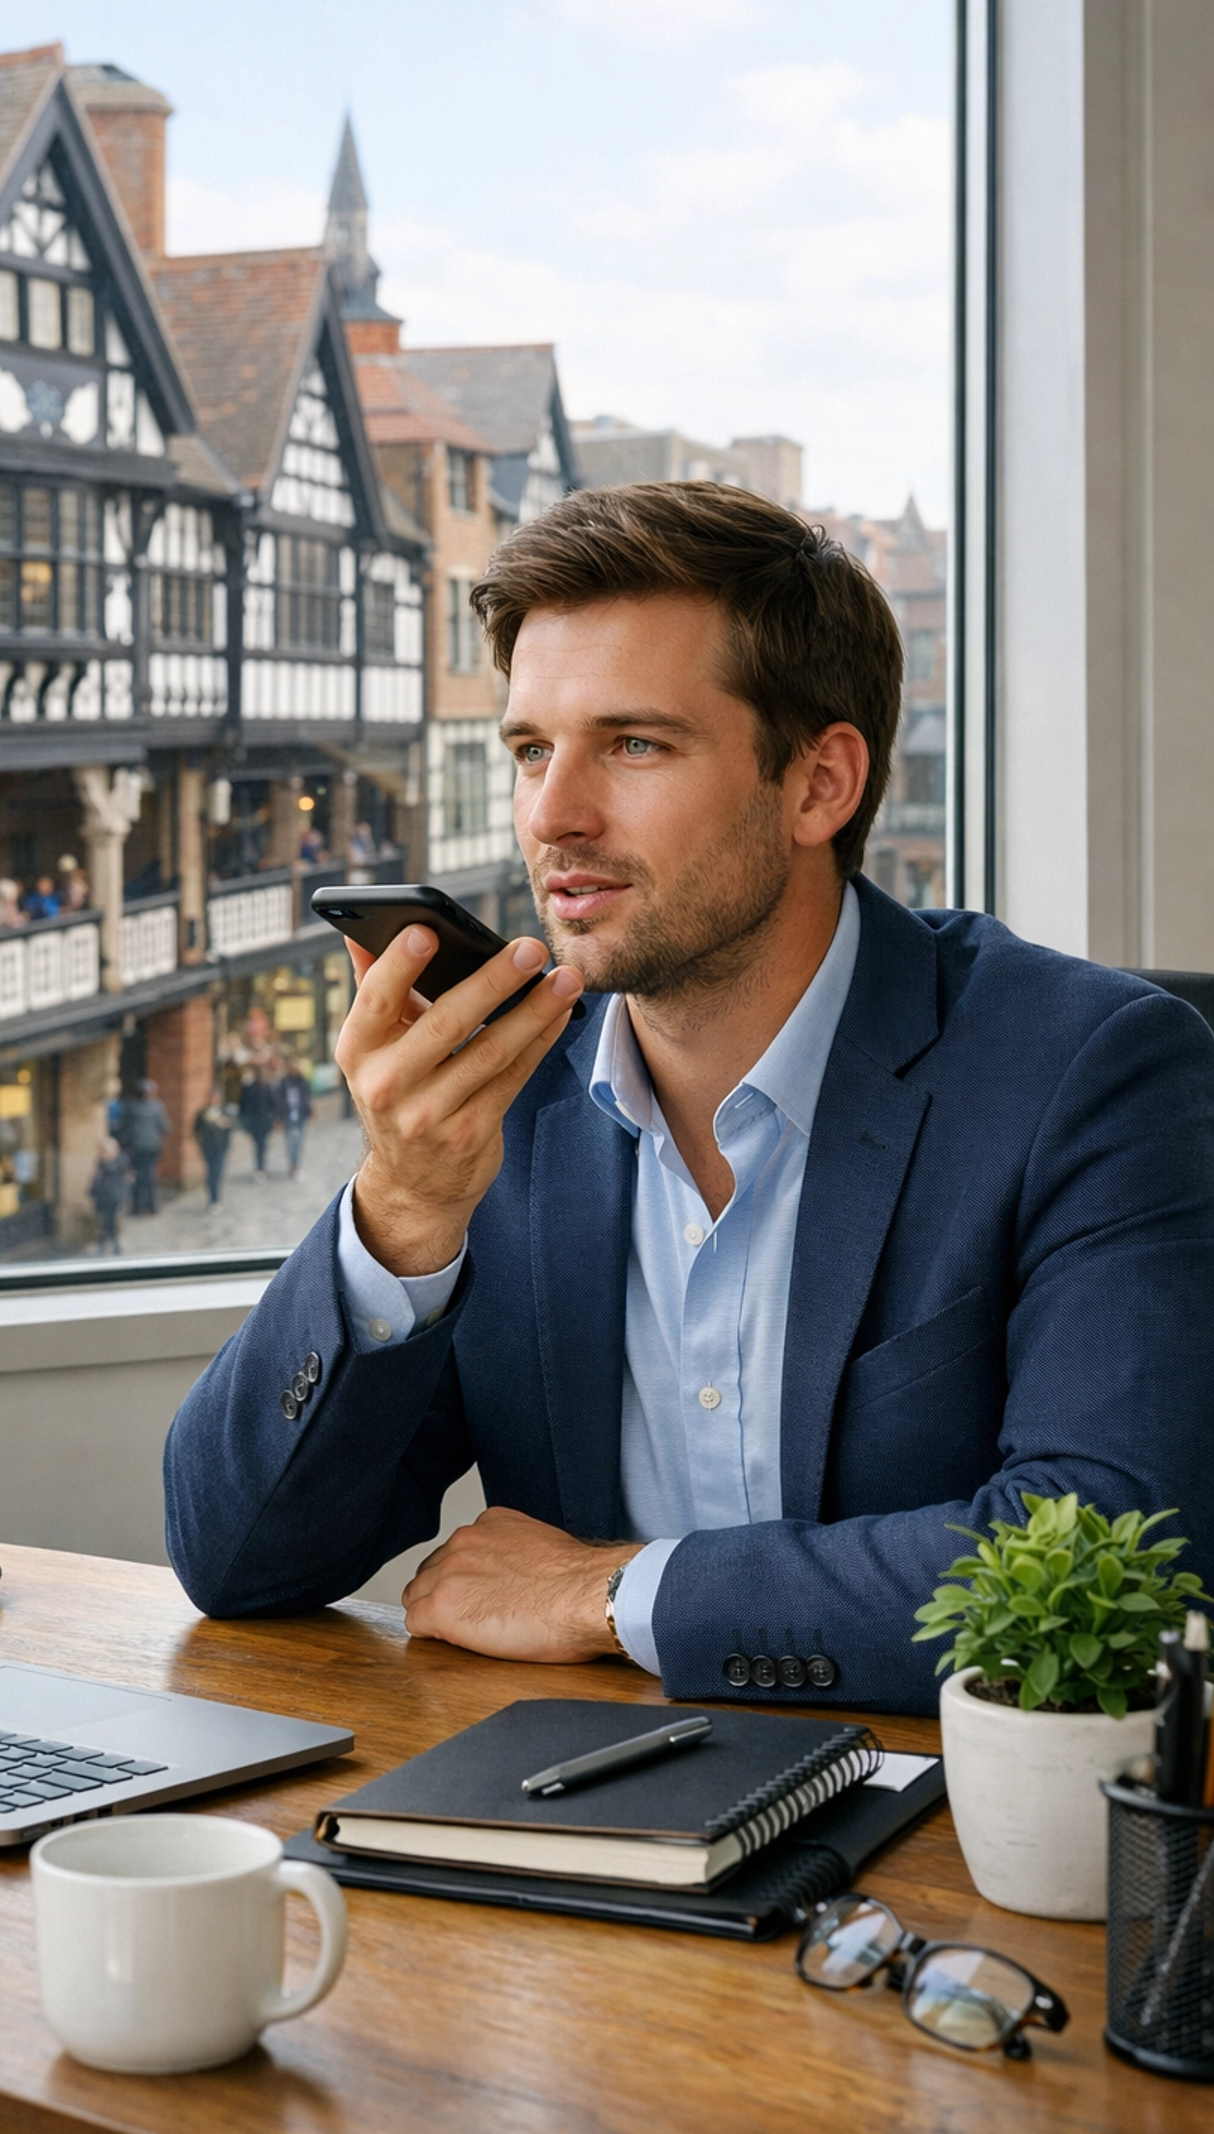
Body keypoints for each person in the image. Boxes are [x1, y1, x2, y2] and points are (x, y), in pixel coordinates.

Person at [163, 480, 1214, 1718]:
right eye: (531, 751)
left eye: (635, 743)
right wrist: (401, 1208)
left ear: (820, 784)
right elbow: (240, 1559)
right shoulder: (508, 1098)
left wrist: (614, 1595)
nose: (553, 817)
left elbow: (1111, 1566)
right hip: (586, 1822)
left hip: (947, 1840)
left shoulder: (1092, 1070)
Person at [120, 1077, 171, 1215]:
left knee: (138, 1176)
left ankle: (138, 1206)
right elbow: (165, 1127)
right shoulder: (157, 1106)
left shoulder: (131, 1106)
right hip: (150, 1146)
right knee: (149, 1176)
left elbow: (124, 1127)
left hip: (138, 1146)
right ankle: (150, 1206)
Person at [88, 1137, 131, 1255]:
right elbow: (96, 1180)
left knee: (116, 1224)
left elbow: (126, 1181)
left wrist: (122, 1196)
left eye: (106, 1151)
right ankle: (101, 1246)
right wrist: (93, 1191)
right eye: (102, 1151)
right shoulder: (99, 1164)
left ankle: (117, 1246)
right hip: (102, 1199)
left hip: (116, 1198)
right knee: (102, 1224)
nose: (104, 1154)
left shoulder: (120, 1163)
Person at [237, 1059, 278, 1181]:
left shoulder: (268, 1088)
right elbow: (243, 1105)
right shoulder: (249, 1088)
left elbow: (273, 1104)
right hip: (254, 1121)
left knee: (262, 1145)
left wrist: (273, 1119)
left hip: (265, 1122)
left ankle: (261, 1167)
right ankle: (260, 1168)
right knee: (259, 1145)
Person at [194, 1098, 235, 1211]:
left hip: (221, 1147)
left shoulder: (224, 1112)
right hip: (208, 1146)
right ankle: (212, 1198)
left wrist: (225, 1123)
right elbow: (196, 1129)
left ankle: (216, 1198)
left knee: (218, 1172)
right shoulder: (203, 1113)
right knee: (211, 1172)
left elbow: (231, 1128)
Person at [278, 1057, 312, 1179]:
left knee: (298, 1141)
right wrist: (280, 1117)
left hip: (300, 1115)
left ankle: (296, 1165)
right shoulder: (284, 1082)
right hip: (288, 1116)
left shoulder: (302, 1081)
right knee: (290, 1142)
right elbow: (280, 1100)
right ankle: (292, 1165)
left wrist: (309, 1110)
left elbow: (307, 1097)